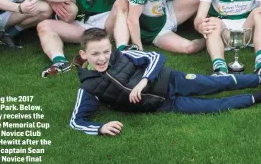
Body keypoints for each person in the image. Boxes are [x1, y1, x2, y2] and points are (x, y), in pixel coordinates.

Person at [69, 28, 261, 136]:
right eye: (95, 54)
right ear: (84, 54)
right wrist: (100, 128)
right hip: (164, 104)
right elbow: (76, 122)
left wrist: (144, 80)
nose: (102, 58)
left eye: (106, 51)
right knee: (212, 106)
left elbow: (155, 57)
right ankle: (256, 97)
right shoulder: (88, 86)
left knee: (214, 83)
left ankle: (258, 78)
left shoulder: (123, 54)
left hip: (172, 80)